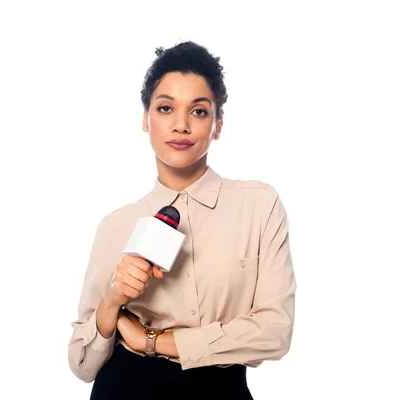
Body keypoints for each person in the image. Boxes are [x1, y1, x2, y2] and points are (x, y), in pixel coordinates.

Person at [67, 41, 296, 399]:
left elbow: (275, 332)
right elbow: (81, 364)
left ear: (218, 124)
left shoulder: (258, 205)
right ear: (145, 119)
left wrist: (152, 340)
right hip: (125, 389)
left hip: (220, 390)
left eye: (199, 111)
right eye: (165, 108)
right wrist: (112, 300)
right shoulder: (116, 225)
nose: (180, 125)